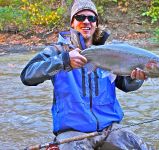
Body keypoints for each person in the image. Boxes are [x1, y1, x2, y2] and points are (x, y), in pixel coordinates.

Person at [20, 0, 149, 149]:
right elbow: (27, 76)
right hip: (72, 132)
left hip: (110, 129)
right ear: (72, 23)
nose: (86, 21)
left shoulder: (111, 52)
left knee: (140, 146)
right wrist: (64, 61)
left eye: (91, 18)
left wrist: (136, 78)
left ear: (96, 23)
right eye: (80, 17)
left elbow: (127, 85)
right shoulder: (57, 52)